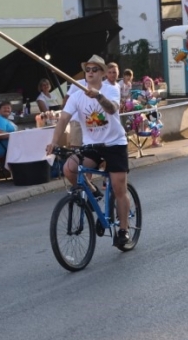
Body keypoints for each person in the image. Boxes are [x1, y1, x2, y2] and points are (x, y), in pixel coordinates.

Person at [46, 55, 133, 250]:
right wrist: (53, 142)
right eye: (88, 70)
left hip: (114, 144)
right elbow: (63, 119)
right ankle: (94, 194)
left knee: (119, 187)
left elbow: (112, 109)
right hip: (92, 145)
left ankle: (123, 229)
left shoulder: (111, 89)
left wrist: (98, 96)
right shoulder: (77, 95)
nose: (90, 73)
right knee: (70, 169)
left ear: (102, 73)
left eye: (95, 69)